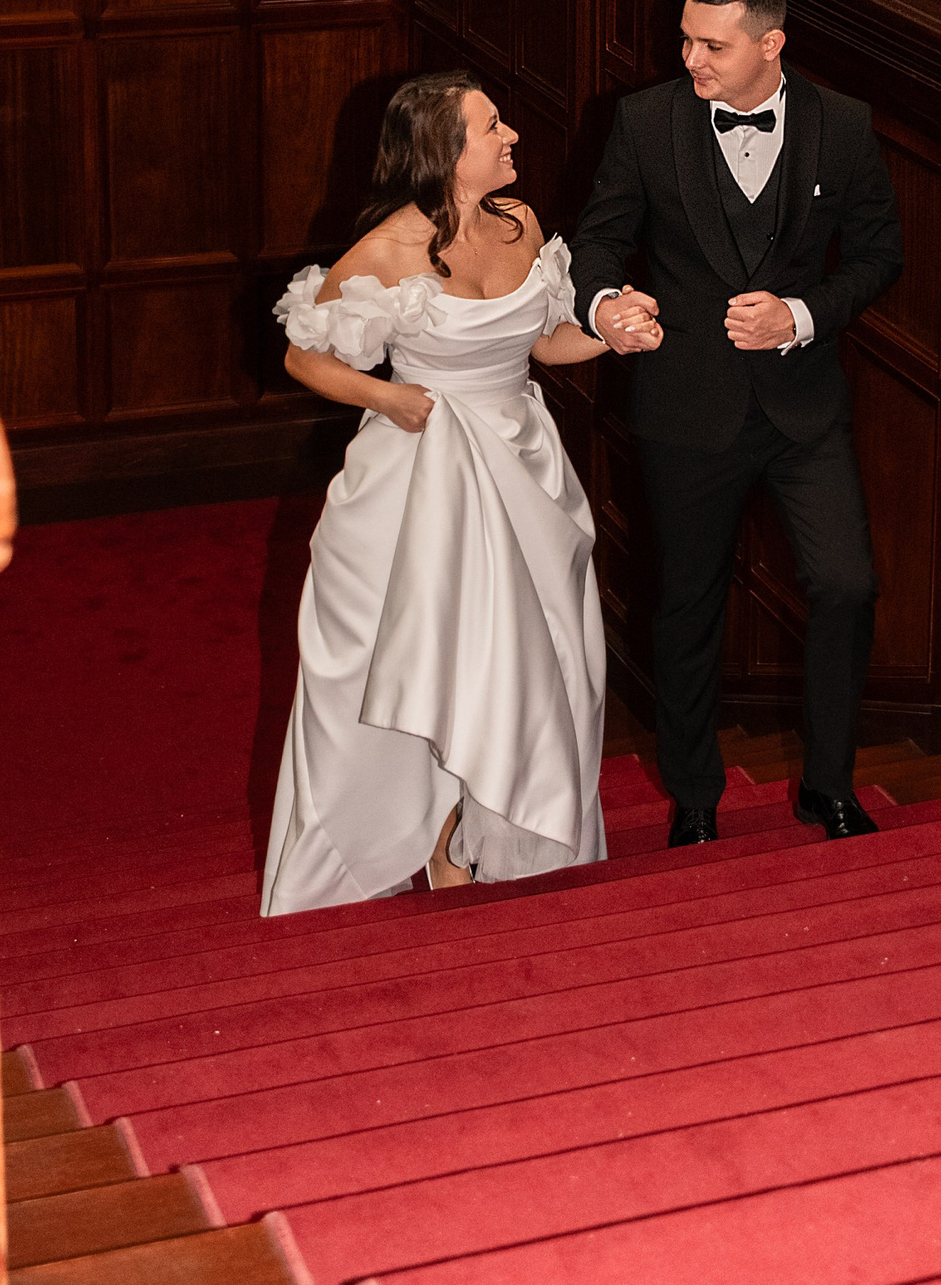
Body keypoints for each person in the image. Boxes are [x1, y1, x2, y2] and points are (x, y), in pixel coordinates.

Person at [262, 72, 656, 910]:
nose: (512, 136)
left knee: (542, 661)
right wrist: (387, 397)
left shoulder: (521, 224)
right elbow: (304, 355)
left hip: (524, 471)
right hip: (423, 485)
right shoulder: (386, 252)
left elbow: (544, 344)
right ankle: (434, 833)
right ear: (445, 152)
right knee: (437, 658)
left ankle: (501, 832)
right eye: (492, 126)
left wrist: (610, 336)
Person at [571, 0, 903, 847]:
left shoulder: (842, 124)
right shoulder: (645, 122)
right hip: (687, 405)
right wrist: (605, 307)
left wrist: (802, 313)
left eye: (712, 45)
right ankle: (694, 797)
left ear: (771, 43)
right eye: (686, 39)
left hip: (804, 409)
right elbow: (597, 243)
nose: (691, 59)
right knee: (687, 606)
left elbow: (880, 254)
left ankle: (828, 786)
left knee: (847, 584)